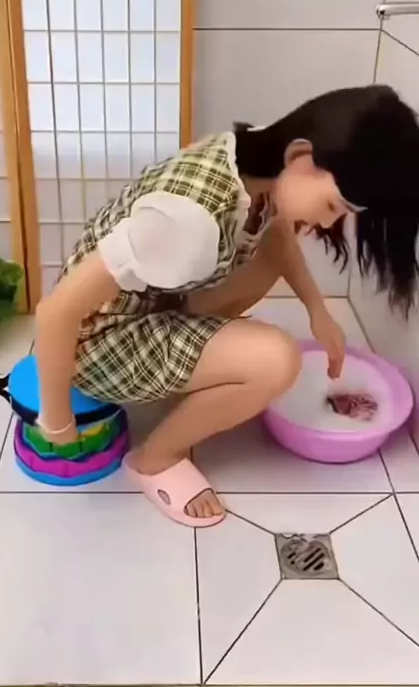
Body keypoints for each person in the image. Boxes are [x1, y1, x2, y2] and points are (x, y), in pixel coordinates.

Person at [35, 85, 419, 527]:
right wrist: (57, 421)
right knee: (276, 361)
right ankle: (155, 459)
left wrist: (319, 312)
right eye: (333, 205)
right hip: (97, 345)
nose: (329, 222)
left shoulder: (255, 158)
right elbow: (56, 313)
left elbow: (276, 237)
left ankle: (188, 375)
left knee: (267, 261)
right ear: (301, 157)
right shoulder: (186, 219)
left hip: (153, 300)